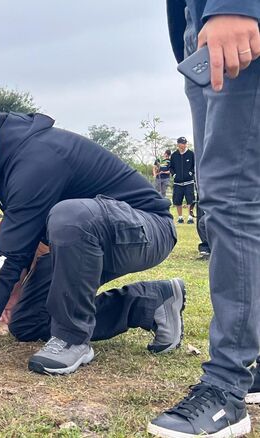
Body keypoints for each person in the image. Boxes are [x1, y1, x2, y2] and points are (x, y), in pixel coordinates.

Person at [0, 95, 182, 381]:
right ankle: (150, 304)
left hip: (146, 229)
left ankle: (72, 338)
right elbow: (21, 236)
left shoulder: (36, 157)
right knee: (28, 322)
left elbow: (8, 254)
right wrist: (14, 292)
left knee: (69, 215)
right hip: (81, 241)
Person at [148, 4, 260, 437]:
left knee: (232, 199)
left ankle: (227, 385)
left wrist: (235, 5)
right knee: (234, 201)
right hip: (199, 26)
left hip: (228, 14)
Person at [169, 137, 196, 224]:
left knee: (190, 200)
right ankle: (180, 217)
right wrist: (174, 175)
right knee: (177, 200)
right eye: (182, 143)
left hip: (189, 182)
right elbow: (171, 167)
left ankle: (190, 217)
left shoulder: (191, 154)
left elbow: (194, 166)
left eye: (185, 143)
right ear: (178, 144)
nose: (183, 145)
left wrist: (191, 173)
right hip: (177, 183)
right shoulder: (174, 155)